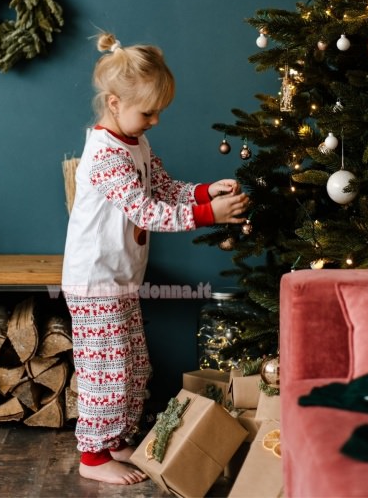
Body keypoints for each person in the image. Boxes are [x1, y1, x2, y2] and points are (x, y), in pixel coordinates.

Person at [62, 31, 250, 485]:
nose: (155, 121)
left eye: (158, 111)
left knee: (133, 367)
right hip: (94, 282)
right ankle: (93, 457)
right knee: (106, 372)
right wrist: (209, 215)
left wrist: (207, 191)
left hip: (120, 279)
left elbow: (164, 190)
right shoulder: (106, 155)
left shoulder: (136, 144)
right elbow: (147, 211)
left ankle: (119, 438)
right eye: (148, 112)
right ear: (113, 103)